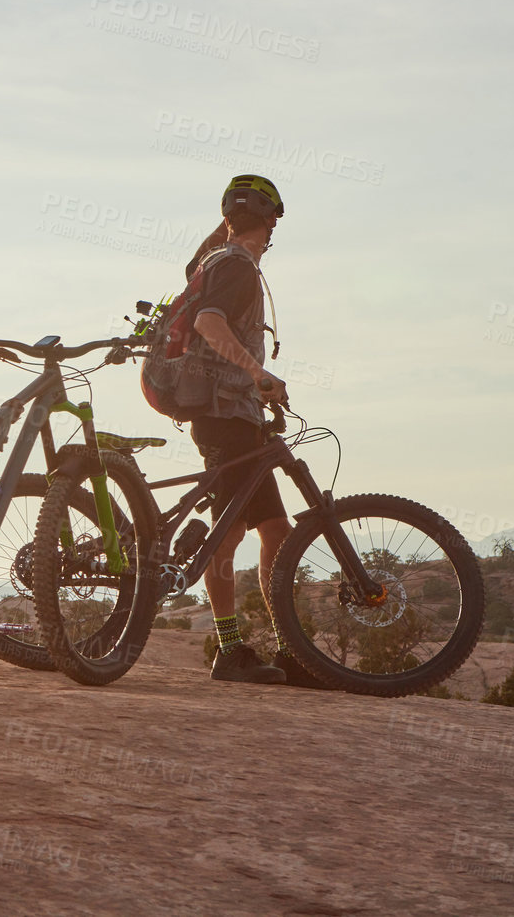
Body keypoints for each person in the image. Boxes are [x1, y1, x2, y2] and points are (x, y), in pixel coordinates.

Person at [182, 175, 321, 687]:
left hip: (239, 413)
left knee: (277, 532)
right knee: (229, 529)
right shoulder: (236, 267)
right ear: (273, 221)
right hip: (222, 412)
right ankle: (230, 649)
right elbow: (207, 324)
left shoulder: (215, 262)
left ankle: (290, 651)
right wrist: (257, 372)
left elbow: (195, 278)